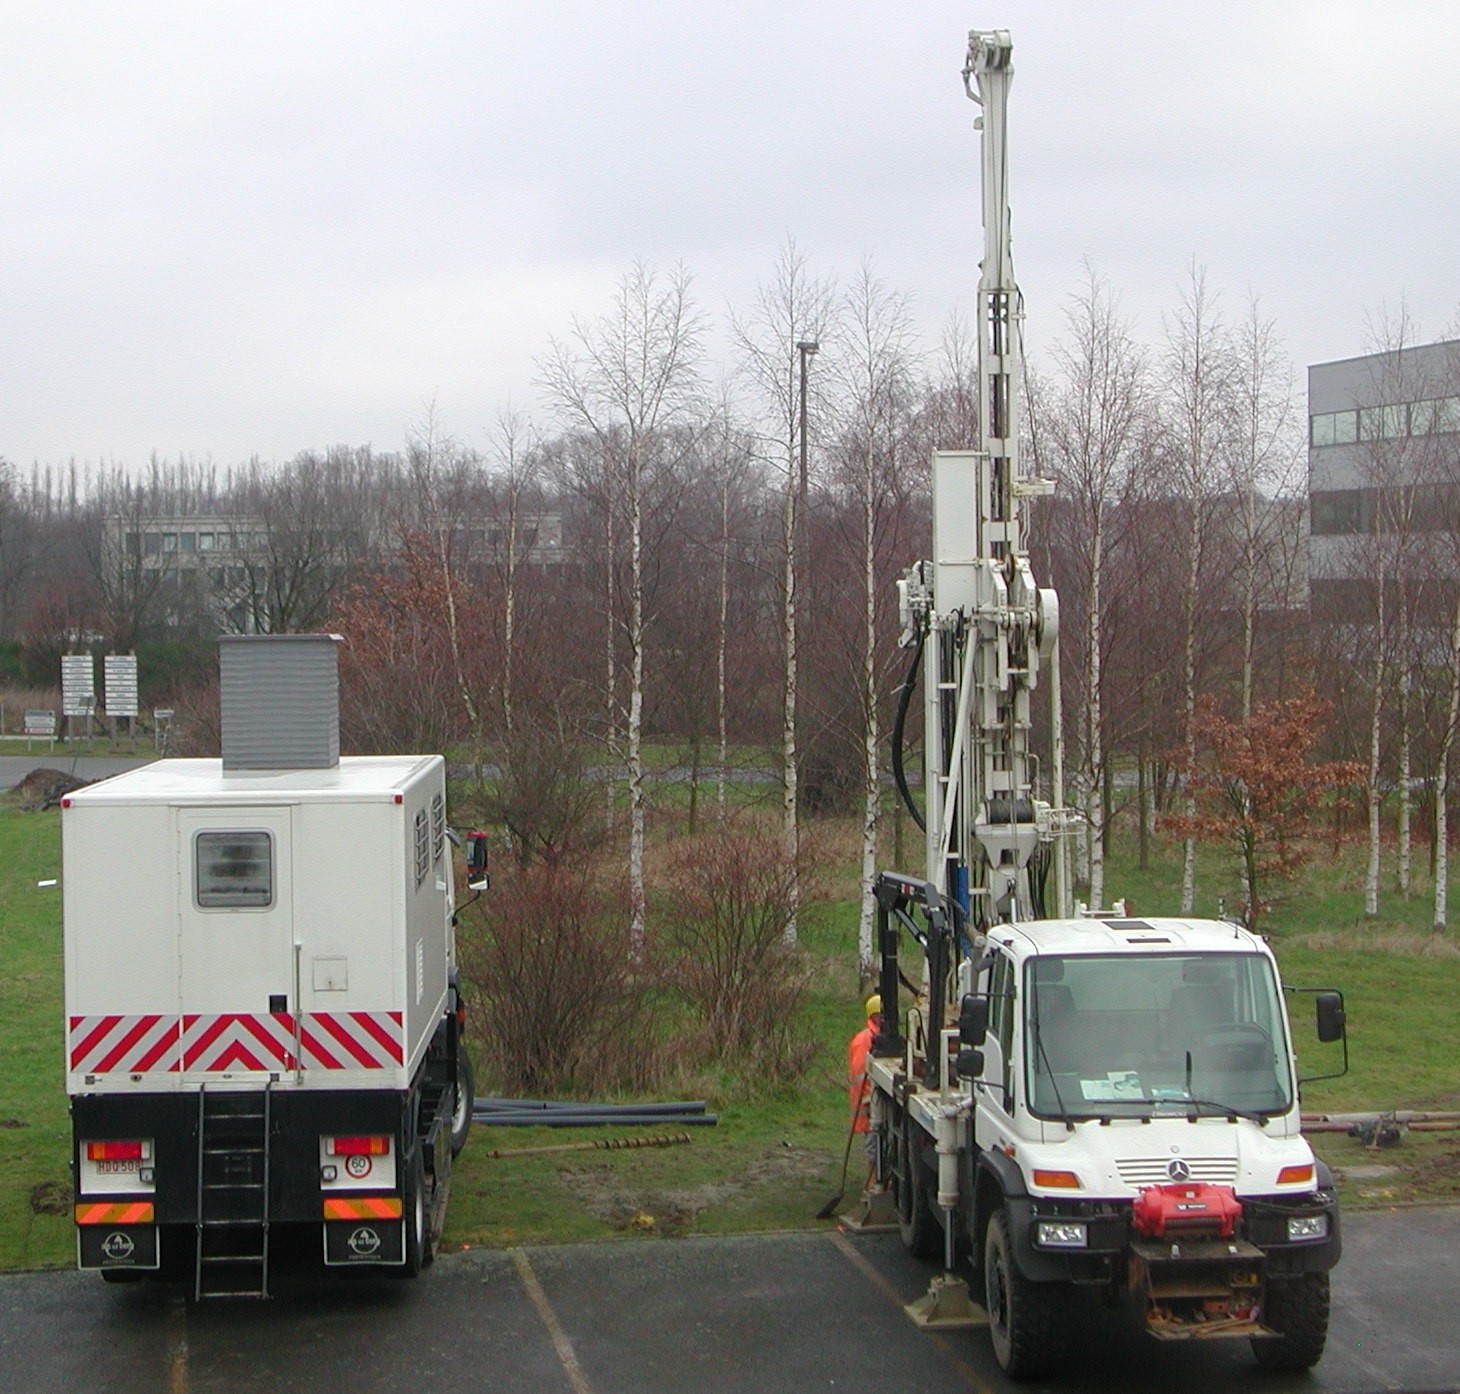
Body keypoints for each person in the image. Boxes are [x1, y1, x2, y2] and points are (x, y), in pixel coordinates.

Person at [848, 993, 882, 1180]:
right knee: (873, 1149)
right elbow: (861, 1074)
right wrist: (870, 1099)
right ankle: (871, 1185)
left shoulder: (875, 1037)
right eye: (881, 1014)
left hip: (871, 1104)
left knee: (876, 1147)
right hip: (868, 1106)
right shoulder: (865, 1041)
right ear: (874, 1016)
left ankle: (874, 1183)